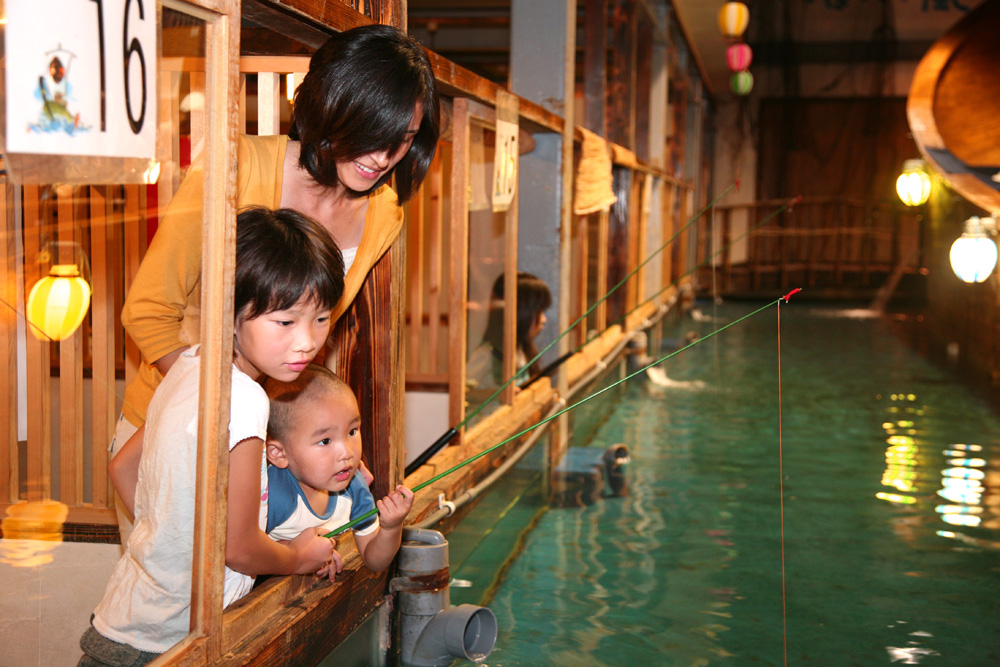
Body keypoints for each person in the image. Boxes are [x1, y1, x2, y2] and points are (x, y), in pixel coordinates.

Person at [110, 24, 440, 541]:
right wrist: (241, 410)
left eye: (401, 138)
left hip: (270, 447)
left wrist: (325, 441)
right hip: (177, 427)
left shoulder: (385, 214)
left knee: (257, 585)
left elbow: (307, 341)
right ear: (329, 106)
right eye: (370, 130)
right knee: (172, 584)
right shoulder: (237, 167)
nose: (382, 157)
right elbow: (148, 312)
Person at [79, 208, 345, 665]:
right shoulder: (244, 399)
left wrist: (169, 542)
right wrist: (298, 557)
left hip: (128, 618)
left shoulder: (189, 365)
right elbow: (238, 548)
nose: (307, 341)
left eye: (321, 319)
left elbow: (122, 467)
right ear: (231, 310)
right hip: (171, 643)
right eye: (285, 322)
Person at [264, 364, 413, 573]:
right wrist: (295, 553)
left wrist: (391, 528)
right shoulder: (272, 495)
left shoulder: (353, 486)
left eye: (352, 431)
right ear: (279, 454)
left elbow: (374, 561)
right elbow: (241, 554)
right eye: (325, 441)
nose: (347, 453)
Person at [466, 271, 552, 391]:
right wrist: (499, 394)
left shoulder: (522, 350)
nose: (543, 319)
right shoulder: (487, 354)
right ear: (520, 313)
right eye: (538, 312)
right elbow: (464, 391)